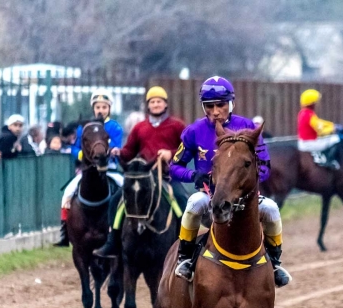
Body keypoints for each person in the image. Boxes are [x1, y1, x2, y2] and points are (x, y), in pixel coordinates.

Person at [169, 76, 290, 288]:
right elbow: (174, 167)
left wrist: (245, 181)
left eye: (221, 105)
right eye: (209, 106)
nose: (215, 111)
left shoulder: (248, 127)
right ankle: (185, 259)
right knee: (194, 204)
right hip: (209, 195)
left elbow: (264, 168)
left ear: (231, 103)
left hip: (244, 197)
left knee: (271, 208)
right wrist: (193, 175)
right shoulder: (193, 131)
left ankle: (276, 263)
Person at [93, 86, 188, 258]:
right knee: (116, 201)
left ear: (165, 104)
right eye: (152, 102)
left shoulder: (177, 126)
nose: (156, 105)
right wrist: (118, 152)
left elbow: (187, 149)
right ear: (148, 105)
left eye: (159, 101)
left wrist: (171, 154)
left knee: (182, 202)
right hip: (143, 177)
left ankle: (184, 245)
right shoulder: (140, 128)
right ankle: (112, 242)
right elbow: (129, 151)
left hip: (167, 176)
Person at [55, 91, 125, 247]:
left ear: (109, 109)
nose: (101, 110)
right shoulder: (84, 128)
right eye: (98, 107)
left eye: (104, 107)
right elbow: (75, 148)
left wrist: (111, 151)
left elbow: (117, 145)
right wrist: (80, 154)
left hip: (110, 169)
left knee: (126, 190)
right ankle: (64, 233)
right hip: (87, 170)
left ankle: (126, 227)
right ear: (93, 108)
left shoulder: (114, 126)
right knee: (67, 193)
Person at [297, 89, 340, 169]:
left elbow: (319, 122)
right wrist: (333, 129)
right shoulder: (310, 115)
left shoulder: (304, 112)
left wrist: (332, 125)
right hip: (310, 144)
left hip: (304, 142)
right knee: (336, 139)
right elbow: (320, 131)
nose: (318, 104)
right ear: (312, 103)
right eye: (317, 102)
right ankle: (329, 160)